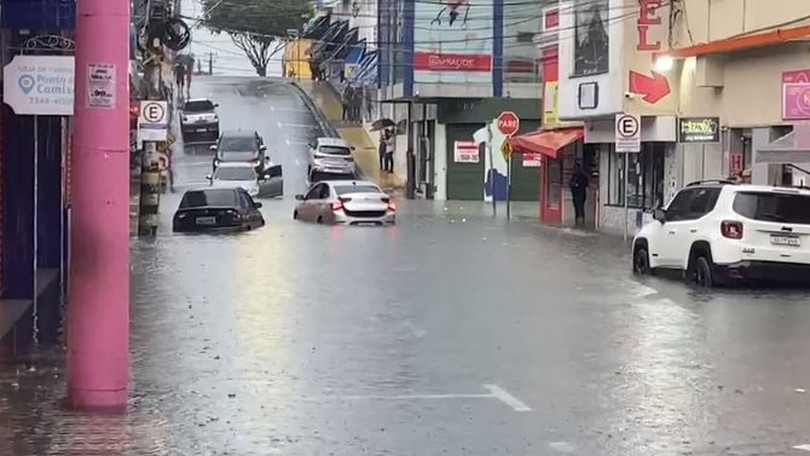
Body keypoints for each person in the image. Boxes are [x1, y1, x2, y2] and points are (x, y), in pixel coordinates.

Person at [569, 162, 589, 227]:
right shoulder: (574, 176)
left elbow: (585, 184)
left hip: (581, 195)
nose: (575, 170)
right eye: (574, 169)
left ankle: (581, 222)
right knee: (577, 208)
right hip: (575, 195)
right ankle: (577, 221)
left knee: (580, 208)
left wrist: (577, 185)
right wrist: (573, 185)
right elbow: (570, 184)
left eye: (576, 168)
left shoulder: (582, 176)